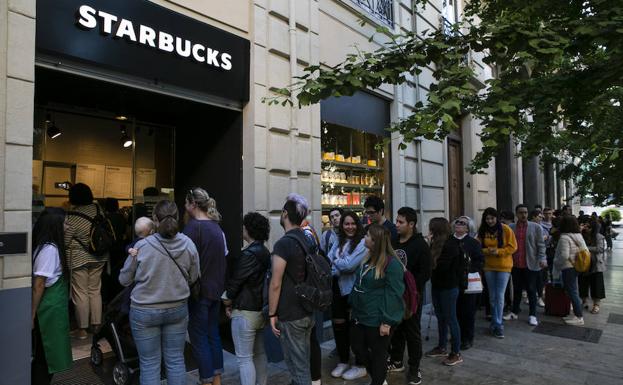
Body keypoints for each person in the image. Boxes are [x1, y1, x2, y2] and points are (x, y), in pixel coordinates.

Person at [119, 200, 200, 385]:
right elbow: (194, 276)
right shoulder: (189, 244)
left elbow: (124, 280)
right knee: (176, 360)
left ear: (155, 219)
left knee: (149, 364)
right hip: (177, 308)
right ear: (178, 218)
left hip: (144, 311)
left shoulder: (142, 246)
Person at [268, 193, 315, 385]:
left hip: (291, 313)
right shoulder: (308, 239)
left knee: (298, 368)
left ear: (285, 214)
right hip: (307, 309)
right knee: (303, 361)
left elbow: (275, 282)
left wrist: (272, 314)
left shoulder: (284, 243)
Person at [350, 224, 405, 385]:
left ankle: (378, 381)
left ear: (376, 241)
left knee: (379, 355)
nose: (364, 237)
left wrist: (387, 321)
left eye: (367, 235)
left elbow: (394, 294)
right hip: (361, 315)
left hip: (378, 318)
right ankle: (379, 380)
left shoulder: (392, 264)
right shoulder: (368, 257)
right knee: (358, 347)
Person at [184, 187, 228, 385]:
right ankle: (217, 379)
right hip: (216, 289)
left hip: (199, 292)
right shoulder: (217, 227)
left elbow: (185, 262)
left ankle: (207, 381)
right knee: (213, 334)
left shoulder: (192, 228)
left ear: (193, 205)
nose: (184, 208)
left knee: (199, 337)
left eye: (186, 204)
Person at [223, 212, 271, 385]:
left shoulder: (248, 254)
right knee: (259, 353)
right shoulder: (265, 252)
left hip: (245, 312)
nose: (242, 229)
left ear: (249, 229)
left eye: (244, 226)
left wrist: (227, 300)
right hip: (260, 311)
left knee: (244, 358)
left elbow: (235, 283)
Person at [387, 207, 431, 385]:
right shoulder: (394, 240)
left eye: (400, 222)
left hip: (412, 296)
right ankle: (397, 360)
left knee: (412, 332)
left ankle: (414, 368)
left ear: (411, 224)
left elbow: (425, 273)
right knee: (396, 329)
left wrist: (409, 283)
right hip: (394, 295)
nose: (396, 224)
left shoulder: (420, 245)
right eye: (396, 221)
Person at [31, 208, 72, 384]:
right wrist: (32, 314)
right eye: (65, 222)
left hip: (51, 308)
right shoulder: (50, 250)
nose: (67, 226)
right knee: (46, 356)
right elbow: (39, 284)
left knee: (46, 355)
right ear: (55, 225)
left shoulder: (45, 246)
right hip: (48, 311)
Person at [327, 211, 368, 381]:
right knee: (339, 326)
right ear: (342, 226)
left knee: (355, 329)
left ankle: (360, 365)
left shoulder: (363, 242)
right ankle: (343, 361)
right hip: (336, 288)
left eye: (353, 224)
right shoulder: (338, 240)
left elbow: (350, 266)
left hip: (353, 290)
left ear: (357, 225)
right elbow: (329, 260)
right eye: (346, 224)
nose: (349, 227)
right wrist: (339, 263)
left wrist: (337, 261)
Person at [65, 183, 107, 339]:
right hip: (99, 257)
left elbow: (66, 240)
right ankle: (96, 325)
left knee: (80, 292)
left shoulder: (72, 216)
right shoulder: (98, 209)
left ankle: (82, 329)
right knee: (95, 290)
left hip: (79, 259)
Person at [425, 218, 464, 366]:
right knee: (441, 317)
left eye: (431, 229)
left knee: (451, 318)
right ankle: (442, 347)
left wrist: (428, 248)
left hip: (449, 287)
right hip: (438, 285)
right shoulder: (437, 244)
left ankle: (456, 352)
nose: (430, 232)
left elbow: (440, 267)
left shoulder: (450, 245)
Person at [477, 207, 517, 339]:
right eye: (487, 218)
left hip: (503, 267)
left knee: (499, 296)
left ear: (497, 218)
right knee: (492, 297)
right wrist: (488, 251)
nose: (489, 221)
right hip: (488, 266)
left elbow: (513, 247)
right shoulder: (482, 230)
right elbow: (478, 247)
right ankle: (495, 322)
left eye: (492, 218)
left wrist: (499, 252)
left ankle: (498, 325)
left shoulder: (506, 229)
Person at [505, 204, 547, 326]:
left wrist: (542, 258)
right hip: (516, 263)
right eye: (521, 212)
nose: (523, 215)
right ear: (517, 214)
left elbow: (540, 244)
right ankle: (514, 311)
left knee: (531, 289)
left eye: (525, 212)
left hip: (531, 263)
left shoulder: (536, 227)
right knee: (517, 289)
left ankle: (532, 315)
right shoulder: (511, 227)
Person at [453, 216, 483, 351]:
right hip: (452, 281)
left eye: (462, 223)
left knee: (468, 311)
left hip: (468, 283)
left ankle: (467, 338)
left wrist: (469, 269)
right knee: (455, 310)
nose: (458, 224)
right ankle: (456, 335)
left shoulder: (473, 243)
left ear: (468, 227)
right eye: (457, 222)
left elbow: (480, 261)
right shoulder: (449, 241)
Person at [553, 215, 587, 326]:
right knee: (574, 291)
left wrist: (556, 262)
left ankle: (579, 317)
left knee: (572, 292)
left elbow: (564, 255)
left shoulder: (564, 238)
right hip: (577, 266)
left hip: (568, 267)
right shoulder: (578, 235)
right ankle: (577, 314)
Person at [578, 216, 606, 314]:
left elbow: (600, 249)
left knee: (596, 286)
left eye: (589, 227)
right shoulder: (581, 235)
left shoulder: (598, 236)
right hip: (583, 264)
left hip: (595, 265)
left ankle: (596, 305)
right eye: (585, 226)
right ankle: (584, 301)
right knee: (583, 284)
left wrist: (586, 248)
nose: (586, 228)